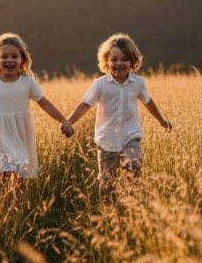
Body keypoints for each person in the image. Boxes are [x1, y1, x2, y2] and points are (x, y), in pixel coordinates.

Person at [0, 32, 73, 195]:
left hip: (20, 136)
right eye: (4, 56)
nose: (9, 60)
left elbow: (44, 103)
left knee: (20, 179)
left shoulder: (27, 82)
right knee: (1, 178)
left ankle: (19, 213)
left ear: (22, 59)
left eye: (14, 56)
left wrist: (63, 120)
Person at [67, 33, 172, 199]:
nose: (119, 64)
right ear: (107, 62)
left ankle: (131, 202)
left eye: (124, 59)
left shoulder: (138, 83)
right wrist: (69, 122)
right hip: (106, 140)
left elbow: (148, 102)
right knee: (107, 183)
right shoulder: (100, 84)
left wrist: (162, 120)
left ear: (132, 62)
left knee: (133, 164)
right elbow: (85, 104)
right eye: (114, 59)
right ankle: (109, 213)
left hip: (130, 136)